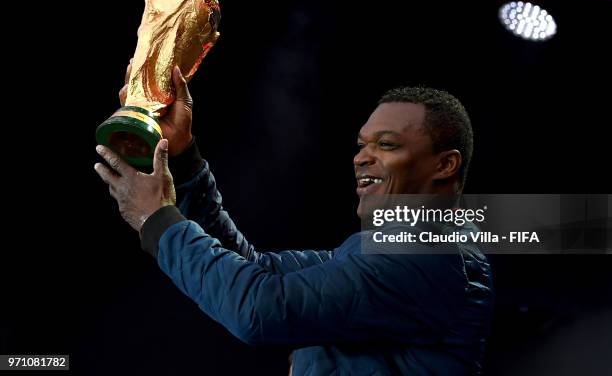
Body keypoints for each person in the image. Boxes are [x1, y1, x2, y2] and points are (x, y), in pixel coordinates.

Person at [94, 63, 493, 375]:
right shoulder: (381, 253)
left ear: (444, 165)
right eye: (361, 145)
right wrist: (183, 159)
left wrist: (157, 218)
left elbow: (260, 308)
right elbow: (256, 268)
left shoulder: (426, 255)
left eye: (386, 145)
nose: (360, 158)